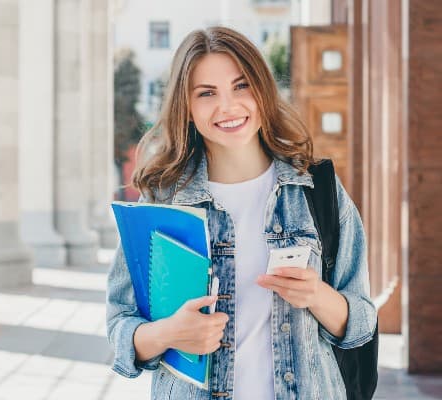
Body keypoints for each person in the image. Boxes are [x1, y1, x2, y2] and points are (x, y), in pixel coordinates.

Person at [106, 26, 376, 400]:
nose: (228, 106)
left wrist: (317, 295)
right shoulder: (162, 200)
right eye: (206, 93)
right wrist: (170, 333)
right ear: (186, 107)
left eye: (241, 86)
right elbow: (120, 327)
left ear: (263, 91)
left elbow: (362, 320)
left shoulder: (316, 190)